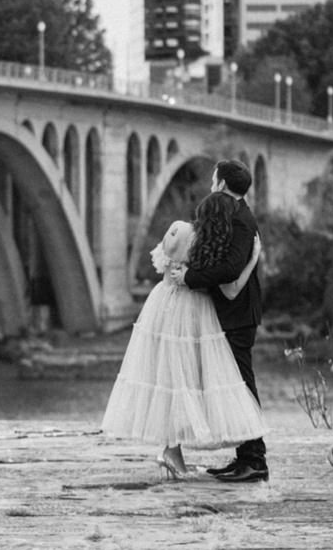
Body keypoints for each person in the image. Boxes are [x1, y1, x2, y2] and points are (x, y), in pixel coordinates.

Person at [100, 198, 265, 480]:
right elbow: (229, 288)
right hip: (192, 313)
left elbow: (163, 261)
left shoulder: (179, 230)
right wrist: (252, 258)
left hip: (163, 307)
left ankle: (171, 449)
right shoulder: (207, 244)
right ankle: (179, 450)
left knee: (168, 379)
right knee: (193, 379)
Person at [183, 158, 268, 483]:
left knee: (242, 386)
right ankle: (244, 457)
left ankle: (255, 461)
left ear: (221, 184)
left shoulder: (241, 220)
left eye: (213, 179)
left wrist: (190, 277)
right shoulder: (234, 214)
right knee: (236, 385)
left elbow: (231, 270)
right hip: (232, 314)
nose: (210, 184)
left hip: (239, 315)